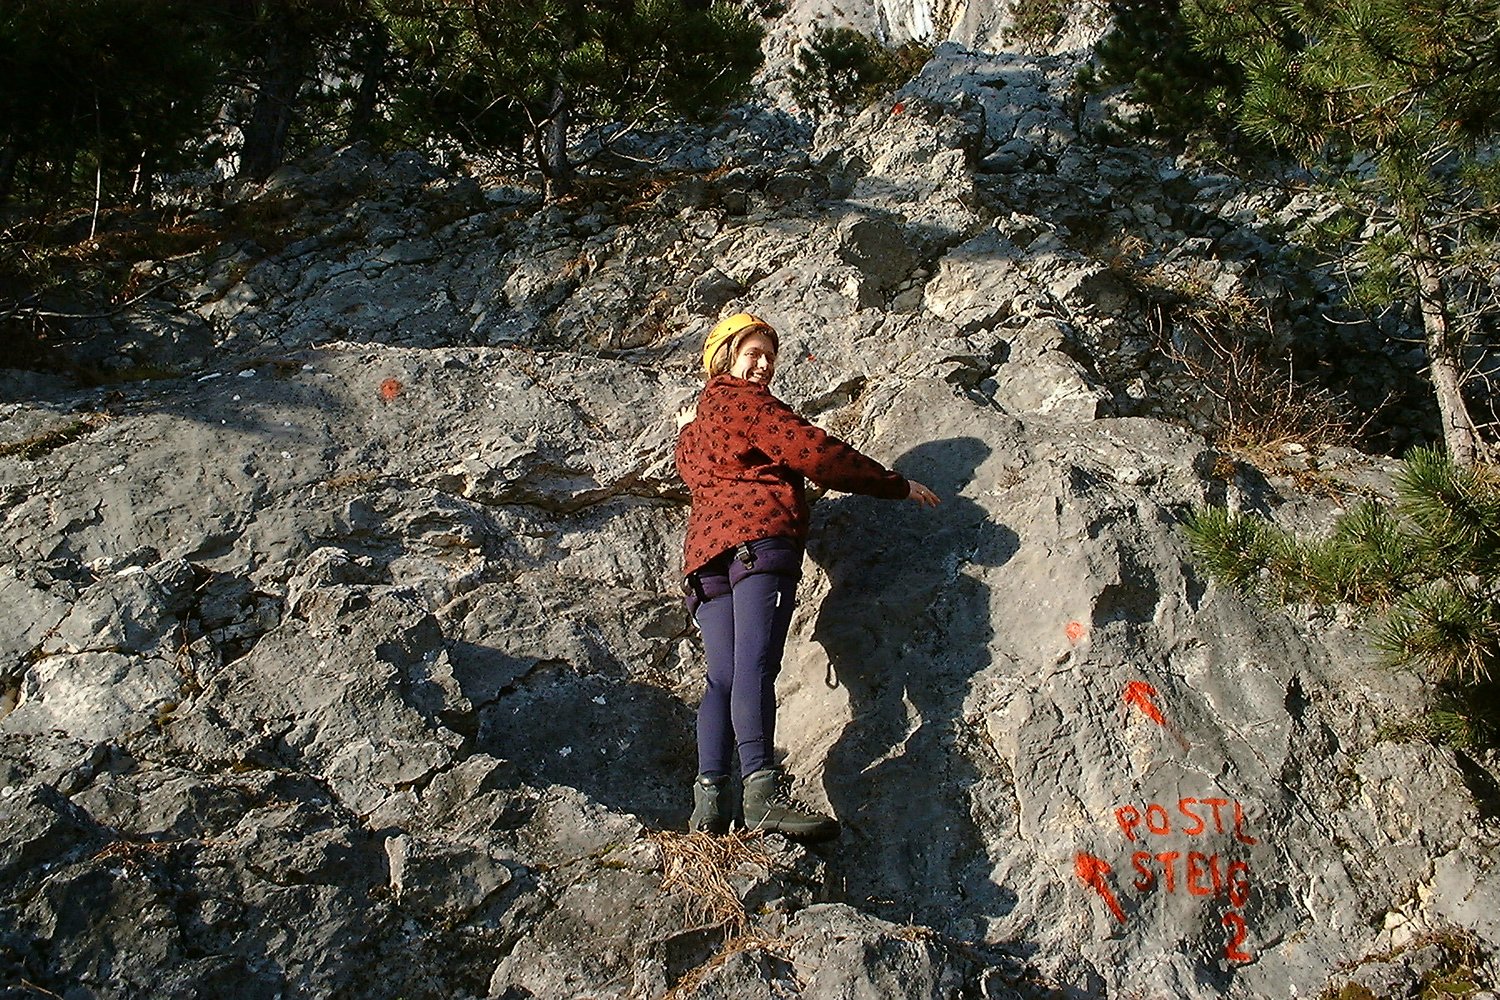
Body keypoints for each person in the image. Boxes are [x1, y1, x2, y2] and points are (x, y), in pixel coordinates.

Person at [674, 312, 940, 840]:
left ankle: (709, 806)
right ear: (725, 358)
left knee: (722, 677)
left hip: (705, 562)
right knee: (753, 667)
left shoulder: (693, 433)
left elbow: (697, 467)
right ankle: (760, 795)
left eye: (769, 356)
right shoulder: (748, 403)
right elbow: (815, 453)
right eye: (752, 353)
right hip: (757, 543)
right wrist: (894, 485)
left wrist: (688, 427)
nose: (764, 365)